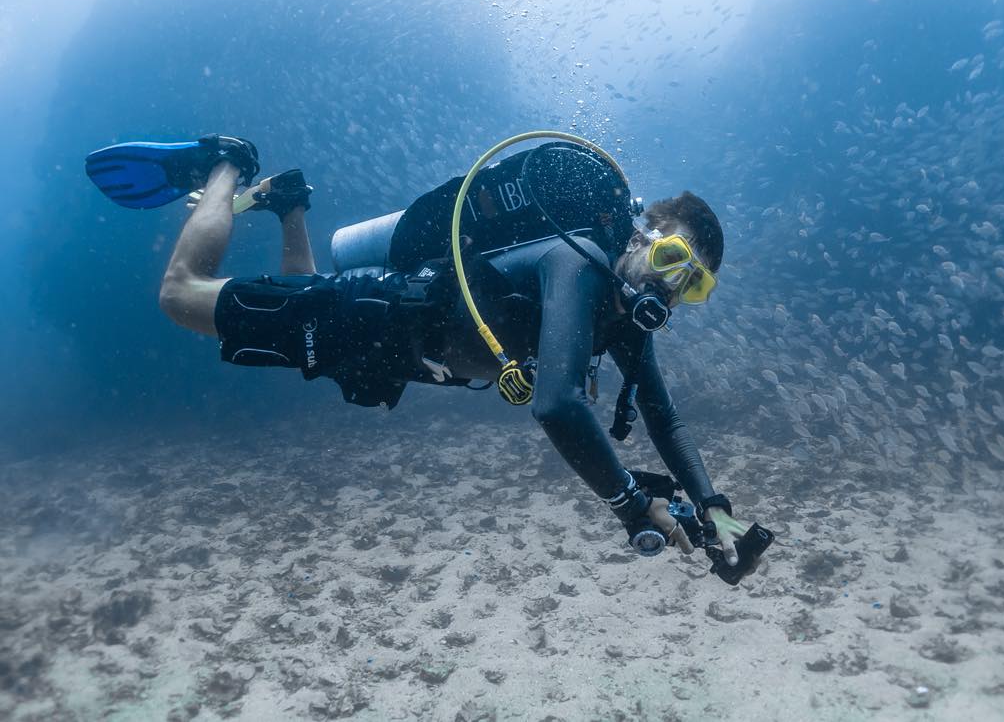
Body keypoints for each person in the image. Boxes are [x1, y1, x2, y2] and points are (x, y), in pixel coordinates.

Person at [105, 134, 751, 563]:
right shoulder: (577, 263)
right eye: (670, 259)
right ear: (640, 236)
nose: (668, 287)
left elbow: (666, 418)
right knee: (178, 294)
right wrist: (633, 505)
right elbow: (556, 404)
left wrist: (714, 510)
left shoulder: (624, 321)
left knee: (301, 310)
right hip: (373, 316)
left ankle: (289, 206)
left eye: (691, 284)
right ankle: (224, 163)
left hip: (401, 357)